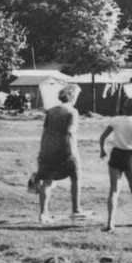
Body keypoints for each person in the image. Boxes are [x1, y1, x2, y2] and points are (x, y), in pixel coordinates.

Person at [36, 83, 84, 224]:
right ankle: (76, 209)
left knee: (47, 181)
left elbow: (44, 133)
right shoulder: (72, 112)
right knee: (76, 176)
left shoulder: (50, 111)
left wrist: (41, 151)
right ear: (73, 96)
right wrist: (73, 152)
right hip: (65, 149)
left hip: (48, 149)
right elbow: (70, 132)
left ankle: (43, 214)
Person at [98, 95, 132, 232]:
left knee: (114, 190)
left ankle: (110, 222)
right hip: (130, 156)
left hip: (116, 155)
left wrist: (102, 150)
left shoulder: (115, 120)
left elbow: (102, 137)